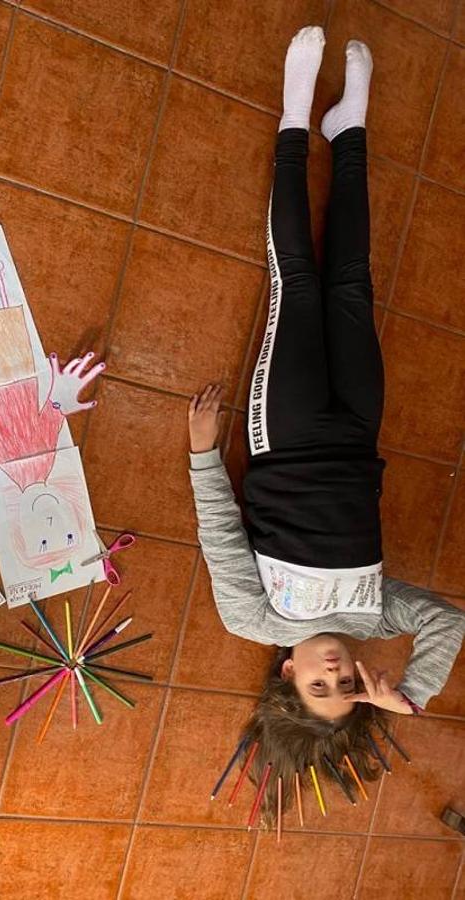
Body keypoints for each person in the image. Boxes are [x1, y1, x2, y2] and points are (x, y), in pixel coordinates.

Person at [187, 27, 465, 823]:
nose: (339, 672)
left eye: (320, 685)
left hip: (286, 429)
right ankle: (349, 130)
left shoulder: (257, 619)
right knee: (351, 283)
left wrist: (204, 457)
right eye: (349, 686)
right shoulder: (376, 618)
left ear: (286, 674)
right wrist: (406, 692)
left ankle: (291, 120)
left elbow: (219, 535)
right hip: (358, 430)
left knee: (297, 283)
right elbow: (449, 619)